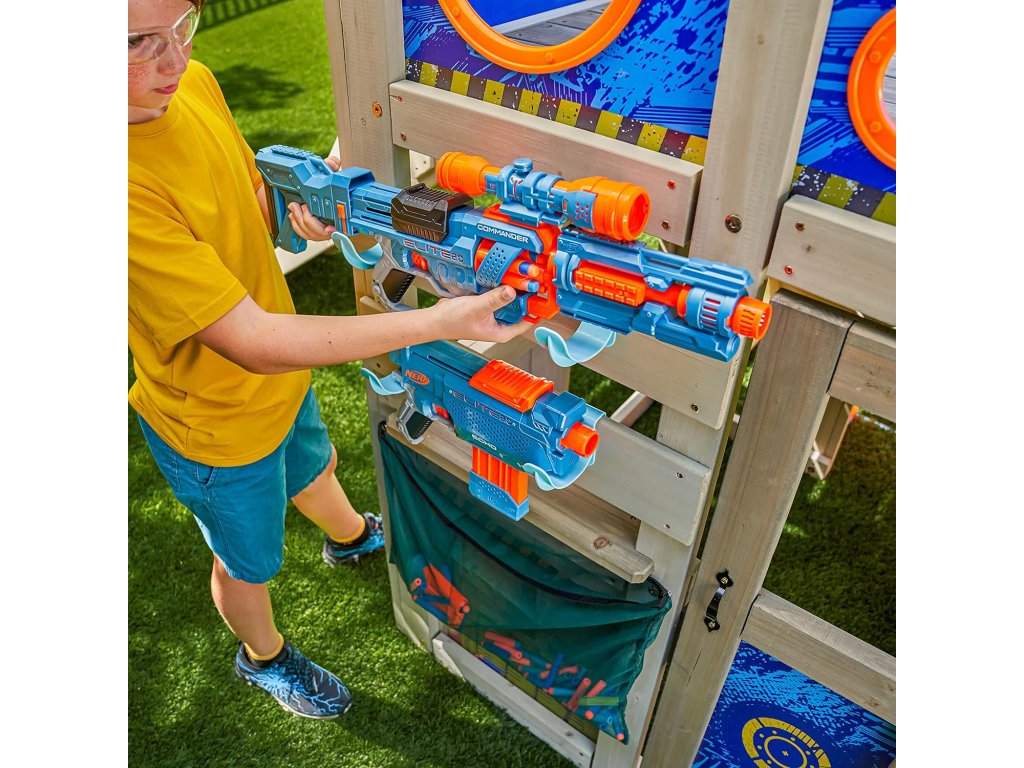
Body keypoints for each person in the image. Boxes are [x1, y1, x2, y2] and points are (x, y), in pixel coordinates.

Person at [128, 0, 530, 720]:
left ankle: (348, 538)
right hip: (214, 424)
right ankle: (263, 656)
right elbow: (251, 340)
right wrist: (437, 321)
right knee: (246, 562)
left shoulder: (195, 83)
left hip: (282, 380)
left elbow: (250, 205)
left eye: (183, 23)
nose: (175, 58)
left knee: (312, 466)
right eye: (137, 42)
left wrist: (298, 210)